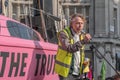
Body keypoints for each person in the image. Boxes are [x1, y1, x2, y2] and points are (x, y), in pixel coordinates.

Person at [54, 13, 92, 80]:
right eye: (77, 23)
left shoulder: (81, 36)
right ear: (72, 24)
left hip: (78, 72)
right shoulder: (64, 33)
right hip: (66, 73)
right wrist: (83, 41)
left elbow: (79, 55)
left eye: (82, 23)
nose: (80, 26)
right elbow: (69, 48)